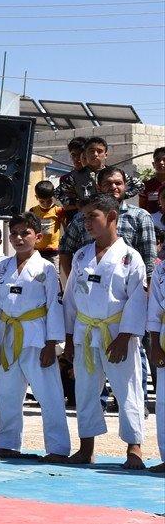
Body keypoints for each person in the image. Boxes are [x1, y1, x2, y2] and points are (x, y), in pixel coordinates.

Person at [63, 194, 148, 470]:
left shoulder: (130, 257)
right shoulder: (80, 255)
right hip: (85, 329)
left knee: (128, 389)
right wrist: (69, 338)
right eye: (84, 217)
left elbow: (137, 298)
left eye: (92, 217)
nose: (86, 223)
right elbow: (71, 297)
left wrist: (126, 335)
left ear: (111, 218)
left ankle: (134, 448)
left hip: (117, 331)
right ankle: (86, 446)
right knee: (86, 389)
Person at [0, 212, 70, 462]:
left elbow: (54, 306)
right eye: (15, 234)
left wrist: (52, 344)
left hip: (37, 336)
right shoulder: (1, 268)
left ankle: (58, 448)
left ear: (38, 237)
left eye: (25, 233)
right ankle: (8, 444)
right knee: (7, 393)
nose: (19, 238)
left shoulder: (46, 268)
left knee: (49, 394)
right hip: (7, 335)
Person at [59, 167, 156, 281]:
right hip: (88, 289)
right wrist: (75, 281)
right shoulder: (82, 217)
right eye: (108, 183)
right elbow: (65, 250)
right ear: (98, 187)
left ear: (125, 186)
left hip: (127, 289)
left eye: (118, 183)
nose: (114, 187)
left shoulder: (140, 217)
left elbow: (149, 260)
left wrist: (147, 290)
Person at [56, 137, 104, 223]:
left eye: (80, 155)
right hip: (75, 224)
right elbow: (66, 204)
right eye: (73, 155)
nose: (76, 159)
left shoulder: (102, 175)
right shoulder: (67, 179)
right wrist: (79, 203)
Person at [147, 257, 165, 473]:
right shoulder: (161, 270)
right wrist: (154, 344)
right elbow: (154, 309)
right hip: (163, 333)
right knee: (163, 402)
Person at [30, 180, 64, 262]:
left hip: (53, 250)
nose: (46, 204)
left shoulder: (58, 210)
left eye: (49, 201)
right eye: (42, 201)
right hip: (37, 250)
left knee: (54, 273)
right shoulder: (33, 211)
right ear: (36, 197)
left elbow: (65, 226)